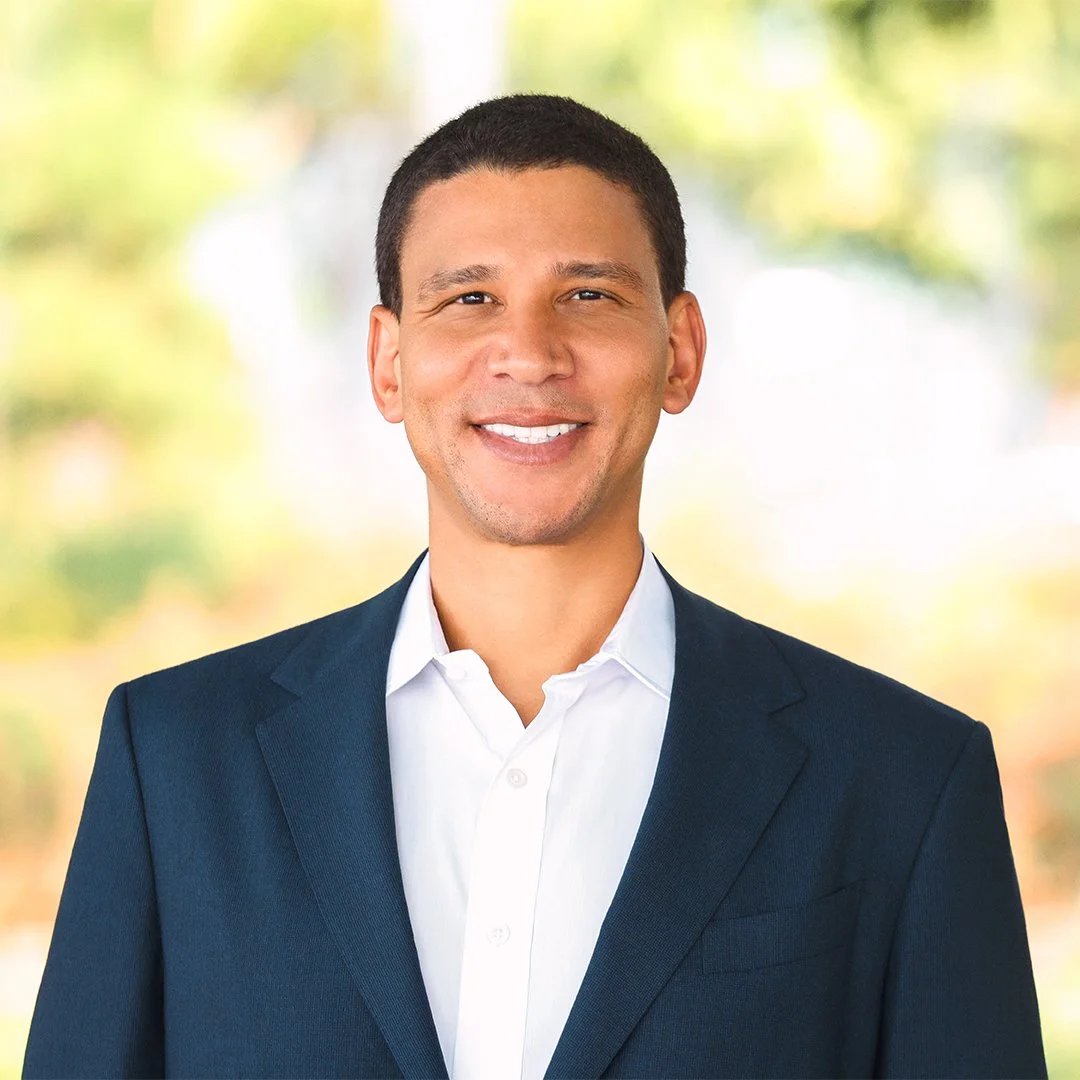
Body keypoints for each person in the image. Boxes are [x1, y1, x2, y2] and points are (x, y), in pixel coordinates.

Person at [24, 94, 1046, 1080]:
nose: (527, 353)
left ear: (680, 351)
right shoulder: (173, 763)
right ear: (389, 361)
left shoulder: (902, 781)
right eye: (469, 299)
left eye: (588, 295)